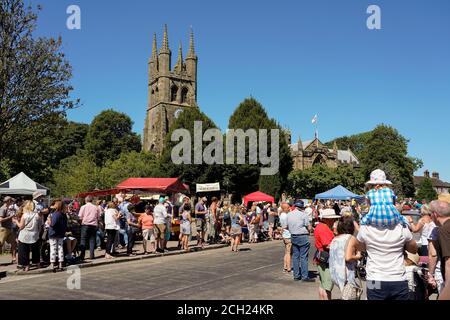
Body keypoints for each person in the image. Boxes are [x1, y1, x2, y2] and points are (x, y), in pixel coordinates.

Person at [348, 171, 418, 300]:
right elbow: (413, 249)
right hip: (398, 278)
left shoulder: (366, 228)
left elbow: (361, 248)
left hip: (375, 278)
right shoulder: (401, 226)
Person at [329, 216, 363, 300]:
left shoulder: (335, 239)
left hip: (336, 274)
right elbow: (348, 257)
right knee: (351, 296)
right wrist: (358, 256)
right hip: (347, 274)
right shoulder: (351, 238)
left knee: (346, 295)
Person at [314, 208, 340, 299]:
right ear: (326, 219)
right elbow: (328, 245)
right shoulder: (324, 228)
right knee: (327, 287)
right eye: (332, 219)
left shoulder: (321, 226)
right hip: (326, 259)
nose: (334, 221)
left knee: (323, 285)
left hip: (321, 258)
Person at [428, 200, 450, 300]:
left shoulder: (443, 230)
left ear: (435, 214)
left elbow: (449, 262)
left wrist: (447, 290)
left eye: (430, 214)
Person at [286, 201, 313, 282]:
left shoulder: (289, 214)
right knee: (303, 257)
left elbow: (286, 226)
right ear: (301, 207)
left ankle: (296, 275)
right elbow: (309, 227)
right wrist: (310, 230)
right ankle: (304, 276)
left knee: (295, 256)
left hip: (293, 236)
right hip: (302, 236)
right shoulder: (303, 214)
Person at [13, 201, 43, 272]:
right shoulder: (37, 215)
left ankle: (27, 266)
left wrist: (15, 221)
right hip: (34, 235)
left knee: (24, 251)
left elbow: (21, 226)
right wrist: (38, 232)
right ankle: (37, 264)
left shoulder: (24, 215)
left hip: (24, 235)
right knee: (35, 250)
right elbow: (40, 226)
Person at [78, 196, 101, 261]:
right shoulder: (96, 207)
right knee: (92, 240)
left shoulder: (83, 207)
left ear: (86, 200)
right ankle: (92, 255)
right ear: (91, 200)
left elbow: (80, 217)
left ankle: (82, 255)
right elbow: (98, 217)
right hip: (93, 225)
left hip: (85, 224)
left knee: (83, 239)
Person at [48, 200, 67, 271]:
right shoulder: (63, 214)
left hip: (53, 233)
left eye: (55, 204)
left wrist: (49, 220)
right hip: (61, 233)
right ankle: (60, 263)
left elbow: (53, 224)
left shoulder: (56, 214)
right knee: (60, 248)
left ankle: (52, 264)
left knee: (53, 248)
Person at [0, 196, 18, 264]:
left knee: (14, 243)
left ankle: (14, 258)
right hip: (3, 229)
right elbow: (1, 219)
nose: (12, 202)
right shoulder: (2, 208)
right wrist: (10, 217)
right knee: (0, 244)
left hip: (9, 229)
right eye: (11, 201)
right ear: (8, 201)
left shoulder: (9, 209)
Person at [279, 203, 292, 274]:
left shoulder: (282, 215)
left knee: (286, 252)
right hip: (288, 235)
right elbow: (287, 226)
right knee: (289, 252)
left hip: (285, 234)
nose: (289, 208)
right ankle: (288, 267)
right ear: (284, 209)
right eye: (288, 207)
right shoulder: (286, 216)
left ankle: (285, 266)